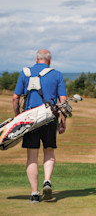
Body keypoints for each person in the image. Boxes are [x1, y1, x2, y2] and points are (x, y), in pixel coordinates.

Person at [13, 49, 67, 203]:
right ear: (49, 61)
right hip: (49, 118)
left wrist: (17, 117)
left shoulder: (24, 73)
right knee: (49, 151)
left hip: (29, 120)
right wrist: (63, 120)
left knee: (32, 156)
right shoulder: (57, 74)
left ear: (36, 60)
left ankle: (35, 193)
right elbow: (63, 100)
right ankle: (47, 181)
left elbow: (15, 97)